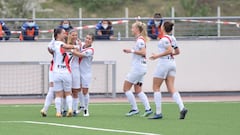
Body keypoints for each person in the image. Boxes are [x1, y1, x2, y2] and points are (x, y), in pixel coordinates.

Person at [149, 21, 187, 120]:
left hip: (164, 64)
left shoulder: (163, 39)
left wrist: (157, 55)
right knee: (171, 88)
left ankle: (158, 113)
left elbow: (170, 50)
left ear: (163, 28)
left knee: (156, 87)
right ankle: (182, 107)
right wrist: (169, 54)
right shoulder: (172, 38)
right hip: (172, 64)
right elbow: (177, 52)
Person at [122, 21, 152, 117]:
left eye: (133, 28)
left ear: (137, 29)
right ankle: (148, 109)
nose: (131, 29)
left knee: (126, 88)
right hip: (141, 67)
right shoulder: (140, 39)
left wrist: (130, 50)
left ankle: (134, 108)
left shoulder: (140, 40)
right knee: (138, 89)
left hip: (138, 68)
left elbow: (143, 52)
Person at [48, 28, 76, 117]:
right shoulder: (62, 44)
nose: (65, 34)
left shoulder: (55, 45)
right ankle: (70, 109)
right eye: (63, 33)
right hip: (66, 72)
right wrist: (75, 46)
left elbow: (50, 49)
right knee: (68, 92)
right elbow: (67, 47)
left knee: (58, 94)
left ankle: (58, 112)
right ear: (58, 35)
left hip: (57, 72)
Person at [71, 33, 94, 117]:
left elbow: (80, 55)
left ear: (92, 41)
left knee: (85, 91)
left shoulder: (91, 50)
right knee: (78, 89)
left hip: (86, 73)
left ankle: (86, 109)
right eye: (87, 38)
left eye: (89, 39)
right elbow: (75, 43)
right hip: (78, 71)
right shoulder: (82, 45)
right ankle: (82, 106)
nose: (87, 40)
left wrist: (72, 50)